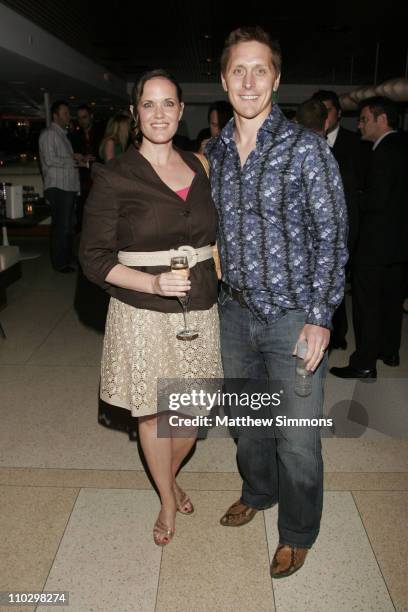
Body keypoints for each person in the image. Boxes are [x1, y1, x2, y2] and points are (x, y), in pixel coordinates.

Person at [206, 26, 347, 578]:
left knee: (297, 437)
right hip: (234, 312)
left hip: (293, 316)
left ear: (277, 79)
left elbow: (332, 236)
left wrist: (320, 318)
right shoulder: (215, 153)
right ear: (223, 80)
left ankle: (298, 531)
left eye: (259, 69)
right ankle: (257, 491)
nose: (248, 80)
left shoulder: (305, 148)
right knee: (248, 424)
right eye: (238, 70)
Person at [79, 69, 222, 546]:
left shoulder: (199, 166)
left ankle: (169, 475)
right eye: (148, 104)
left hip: (200, 305)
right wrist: (153, 282)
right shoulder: (115, 174)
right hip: (142, 311)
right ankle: (166, 496)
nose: (159, 113)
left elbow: (213, 235)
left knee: (191, 412)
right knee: (154, 413)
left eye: (168, 104)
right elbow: (94, 259)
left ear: (182, 111)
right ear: (136, 114)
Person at [331, 97, 408, 379]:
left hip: (375, 245)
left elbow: (377, 200)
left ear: (382, 119)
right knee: (390, 302)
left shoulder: (383, 152)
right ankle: (389, 351)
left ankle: (364, 362)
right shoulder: (402, 147)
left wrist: (354, 197)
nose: (359, 124)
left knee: (367, 306)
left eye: (364, 119)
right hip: (399, 245)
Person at [312, 89, 368, 350]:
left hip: (347, 227)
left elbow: (359, 194)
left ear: (339, 114)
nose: (323, 115)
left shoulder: (356, 144)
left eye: (328, 110)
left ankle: (338, 334)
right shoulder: (305, 142)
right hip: (313, 231)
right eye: (319, 110)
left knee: (338, 284)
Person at [39, 100, 84, 273]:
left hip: (66, 187)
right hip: (59, 188)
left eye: (68, 113)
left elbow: (62, 160)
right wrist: (73, 159)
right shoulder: (50, 134)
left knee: (67, 226)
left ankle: (67, 260)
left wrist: (76, 158)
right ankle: (60, 263)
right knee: (62, 227)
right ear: (56, 115)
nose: (69, 116)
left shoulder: (61, 135)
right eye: (65, 113)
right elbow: (50, 160)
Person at [70, 104, 103, 230]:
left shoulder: (101, 134)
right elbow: (72, 158)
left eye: (84, 117)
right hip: (82, 181)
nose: (82, 121)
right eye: (79, 118)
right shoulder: (74, 137)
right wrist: (82, 158)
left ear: (91, 117)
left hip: (99, 179)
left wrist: (92, 160)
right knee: (82, 214)